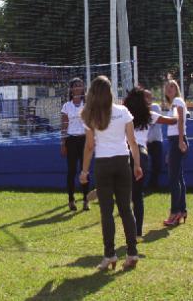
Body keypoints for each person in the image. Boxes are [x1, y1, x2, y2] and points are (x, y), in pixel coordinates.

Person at [79, 76, 141, 270]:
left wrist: (84, 171)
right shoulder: (123, 111)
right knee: (126, 209)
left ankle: (110, 255)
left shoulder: (89, 115)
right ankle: (132, 253)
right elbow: (133, 142)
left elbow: (90, 147)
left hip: (103, 164)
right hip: (123, 162)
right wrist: (137, 165)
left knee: (107, 211)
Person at [124, 87, 177, 238]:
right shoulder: (150, 115)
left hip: (125, 154)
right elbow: (172, 121)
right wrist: (179, 111)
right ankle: (138, 231)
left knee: (126, 196)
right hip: (142, 155)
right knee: (137, 196)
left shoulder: (125, 116)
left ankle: (129, 229)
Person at [60, 77, 90, 211]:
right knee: (71, 171)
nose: (78, 88)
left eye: (80, 85)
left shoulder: (87, 104)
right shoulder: (67, 106)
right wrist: (63, 143)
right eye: (75, 85)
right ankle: (71, 199)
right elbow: (64, 125)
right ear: (71, 89)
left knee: (85, 170)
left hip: (85, 139)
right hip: (71, 140)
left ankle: (85, 200)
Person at [163, 80, 188, 226]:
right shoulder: (172, 104)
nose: (169, 88)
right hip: (174, 141)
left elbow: (179, 121)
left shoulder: (177, 101)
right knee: (179, 178)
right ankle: (182, 210)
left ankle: (175, 212)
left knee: (174, 179)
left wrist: (179, 141)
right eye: (167, 87)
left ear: (177, 89)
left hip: (177, 140)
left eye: (172, 86)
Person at [145, 90, 164, 191]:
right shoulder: (140, 109)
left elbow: (152, 121)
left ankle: (153, 184)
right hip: (145, 142)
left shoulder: (155, 107)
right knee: (143, 164)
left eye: (149, 97)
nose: (147, 99)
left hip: (156, 140)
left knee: (157, 164)